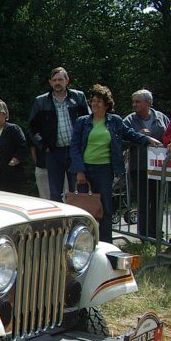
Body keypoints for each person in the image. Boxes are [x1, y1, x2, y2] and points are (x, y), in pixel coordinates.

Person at [69, 84, 161, 243]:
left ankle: (105, 244)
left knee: (105, 208)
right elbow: (75, 146)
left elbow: (130, 134)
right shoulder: (82, 122)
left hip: (105, 170)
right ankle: (82, 243)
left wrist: (147, 140)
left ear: (106, 104)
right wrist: (79, 171)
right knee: (83, 209)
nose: (95, 104)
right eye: (93, 101)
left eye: (99, 101)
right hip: (84, 169)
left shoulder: (115, 121)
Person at [28, 67, 91, 201]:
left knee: (78, 190)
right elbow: (32, 128)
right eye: (54, 80)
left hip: (75, 151)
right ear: (50, 82)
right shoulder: (41, 101)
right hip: (53, 152)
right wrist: (43, 145)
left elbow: (89, 122)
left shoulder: (78, 97)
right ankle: (58, 222)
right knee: (55, 193)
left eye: (60, 79)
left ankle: (77, 221)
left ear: (67, 81)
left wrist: (84, 144)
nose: (57, 83)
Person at [123, 89, 170, 239]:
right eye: (133, 101)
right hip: (139, 166)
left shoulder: (161, 118)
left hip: (159, 166)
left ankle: (157, 234)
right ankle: (143, 236)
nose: (134, 104)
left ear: (148, 103)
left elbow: (168, 135)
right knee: (143, 201)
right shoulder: (129, 120)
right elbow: (121, 138)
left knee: (158, 201)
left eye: (137, 101)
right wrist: (139, 138)